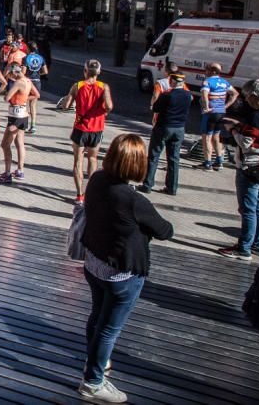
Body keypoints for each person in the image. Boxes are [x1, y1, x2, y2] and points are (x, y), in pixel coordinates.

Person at [79, 134, 173, 403]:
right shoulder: (133, 200)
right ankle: (93, 382)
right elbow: (165, 230)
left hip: (94, 263)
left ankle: (97, 359)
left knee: (97, 317)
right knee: (109, 328)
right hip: (122, 272)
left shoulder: (97, 179)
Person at [218, 79, 259, 261]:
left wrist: (233, 130)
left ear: (255, 97)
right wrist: (241, 126)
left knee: (248, 209)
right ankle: (257, 244)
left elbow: (246, 143)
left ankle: (244, 248)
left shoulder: (256, 117)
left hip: (249, 166)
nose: (246, 100)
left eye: (248, 97)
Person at [63, 60, 114, 203]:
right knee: (93, 159)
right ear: (99, 72)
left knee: (78, 161)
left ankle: (80, 195)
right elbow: (109, 105)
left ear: (85, 71)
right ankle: (91, 193)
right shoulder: (103, 87)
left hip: (80, 128)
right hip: (96, 128)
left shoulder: (77, 86)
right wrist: (103, 111)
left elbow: (66, 105)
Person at [139, 71, 192, 195]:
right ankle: (172, 188)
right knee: (174, 158)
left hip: (164, 127)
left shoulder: (167, 95)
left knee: (154, 156)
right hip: (179, 128)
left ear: (172, 81)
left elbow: (156, 107)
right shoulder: (188, 95)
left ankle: (148, 185)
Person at [0, 64, 38, 183]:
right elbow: (36, 95)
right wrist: (24, 99)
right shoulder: (28, 81)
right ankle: (20, 170)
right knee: (19, 142)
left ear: (14, 72)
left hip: (16, 116)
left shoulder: (18, 83)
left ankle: (7, 173)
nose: (10, 77)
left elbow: (7, 98)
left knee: (5, 144)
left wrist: (15, 97)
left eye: (10, 74)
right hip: (23, 115)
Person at [200, 63, 238, 172]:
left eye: (206, 69)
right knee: (216, 136)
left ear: (212, 71)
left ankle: (208, 164)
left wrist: (207, 107)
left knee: (206, 138)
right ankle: (219, 161)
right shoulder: (224, 82)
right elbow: (235, 93)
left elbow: (204, 95)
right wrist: (225, 106)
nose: (204, 71)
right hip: (221, 112)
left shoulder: (207, 82)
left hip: (210, 113)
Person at [23, 41, 48, 134]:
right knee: (33, 105)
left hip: (28, 81)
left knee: (24, 103)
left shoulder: (26, 58)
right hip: (37, 82)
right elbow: (45, 71)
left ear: (28, 48)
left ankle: (24, 125)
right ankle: (33, 126)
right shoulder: (41, 58)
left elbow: (23, 71)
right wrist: (38, 74)